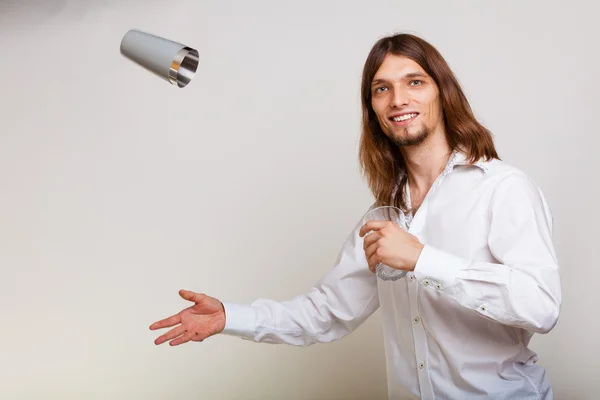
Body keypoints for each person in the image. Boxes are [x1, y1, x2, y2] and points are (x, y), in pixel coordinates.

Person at [149, 33, 561, 399]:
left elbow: (541, 305)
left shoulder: (502, 188)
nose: (398, 99)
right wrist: (229, 316)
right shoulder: (383, 217)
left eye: (414, 82)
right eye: (382, 89)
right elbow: (325, 313)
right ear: (373, 110)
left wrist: (422, 259)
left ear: (443, 93)